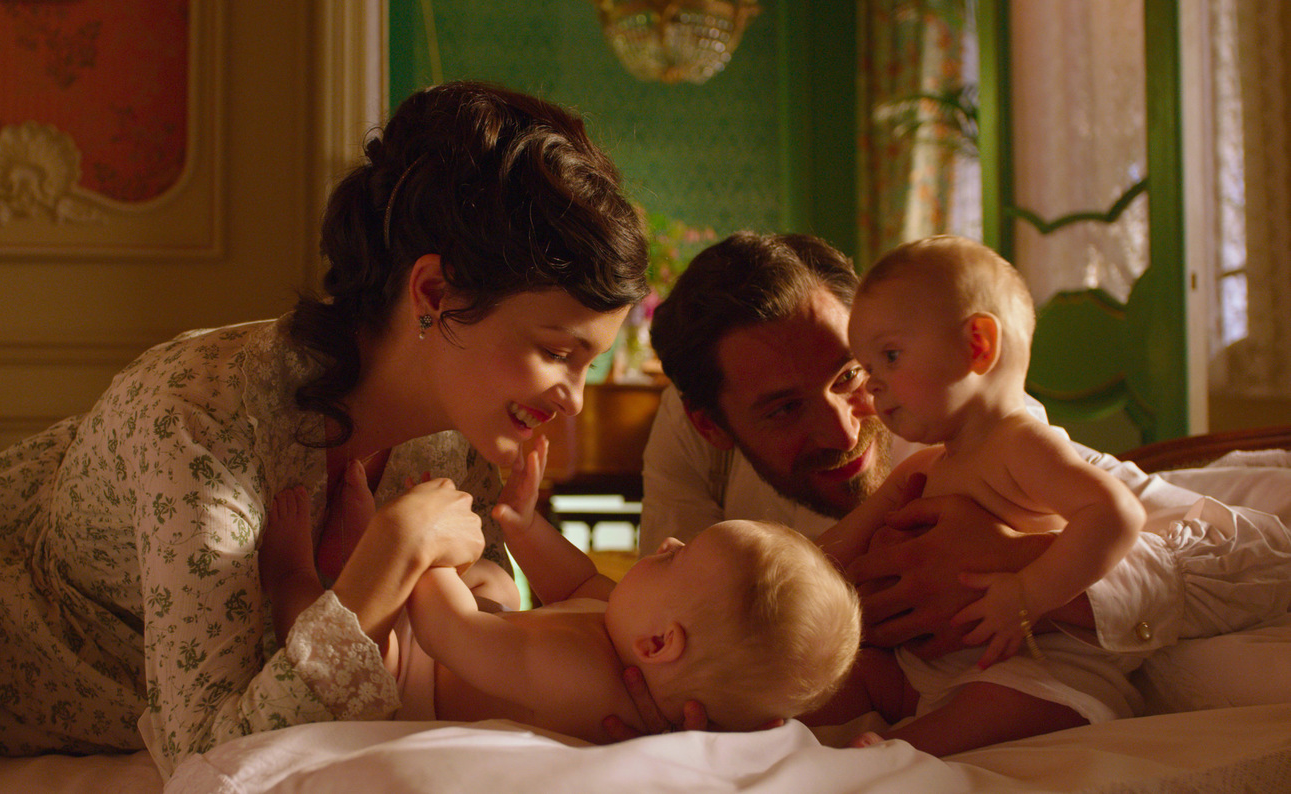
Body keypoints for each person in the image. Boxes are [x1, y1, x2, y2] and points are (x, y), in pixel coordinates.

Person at [0, 81, 650, 777]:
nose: (574, 401)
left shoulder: (462, 435)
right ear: (433, 292)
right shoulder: (202, 421)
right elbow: (209, 763)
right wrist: (387, 558)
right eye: (557, 352)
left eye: (588, 362)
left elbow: (465, 656)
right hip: (22, 688)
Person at [635, 230, 1291, 731]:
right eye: (784, 410)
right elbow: (750, 584)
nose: (844, 428)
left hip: (1031, 660)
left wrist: (1025, 573)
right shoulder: (696, 446)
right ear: (713, 426)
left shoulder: (981, 433)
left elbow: (1252, 555)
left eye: (854, 374)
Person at [262, 435, 861, 744]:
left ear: (660, 644)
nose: (669, 544)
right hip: (482, 644)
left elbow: (452, 632)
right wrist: (524, 524)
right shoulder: (628, 630)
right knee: (496, 580)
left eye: (677, 559)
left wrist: (420, 553)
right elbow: (573, 580)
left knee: (363, 649)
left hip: (417, 681)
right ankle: (361, 556)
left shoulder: (580, 675)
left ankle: (295, 576)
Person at [808, 235, 1147, 756]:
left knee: (1002, 703)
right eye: (868, 368)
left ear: (979, 346)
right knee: (841, 677)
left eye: (890, 357)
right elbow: (837, 547)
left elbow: (1116, 513)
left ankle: (896, 753)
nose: (873, 386)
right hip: (929, 664)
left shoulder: (1021, 444)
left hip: (1032, 661)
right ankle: (755, 729)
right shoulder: (926, 464)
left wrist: (1029, 593)